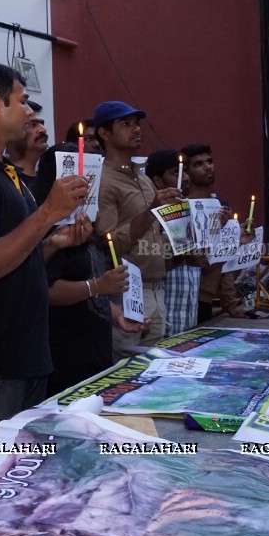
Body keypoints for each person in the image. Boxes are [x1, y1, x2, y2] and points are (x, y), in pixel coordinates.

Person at [0, 64, 85, 437]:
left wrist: (56, 242)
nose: (30, 112)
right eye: (22, 102)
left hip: (24, 357)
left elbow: (18, 257)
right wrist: (47, 214)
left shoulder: (3, 171)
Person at [35, 143, 147, 395]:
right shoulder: (47, 228)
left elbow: (92, 283)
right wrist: (98, 286)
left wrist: (119, 315)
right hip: (64, 354)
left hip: (94, 350)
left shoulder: (85, 221)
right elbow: (46, 290)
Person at [93, 101, 180, 360]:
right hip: (126, 290)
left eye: (137, 124)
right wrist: (152, 209)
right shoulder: (102, 180)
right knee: (123, 371)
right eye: (126, 124)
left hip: (156, 286)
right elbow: (109, 244)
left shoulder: (142, 178)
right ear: (104, 133)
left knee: (149, 372)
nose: (136, 129)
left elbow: (156, 237)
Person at [182, 143, 251, 321]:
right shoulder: (181, 207)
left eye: (210, 162)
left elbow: (225, 263)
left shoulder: (221, 207)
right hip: (181, 296)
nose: (207, 167)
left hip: (204, 298)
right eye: (198, 164)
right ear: (186, 172)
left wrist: (231, 303)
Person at [145, 149, 202, 338]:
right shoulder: (151, 216)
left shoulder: (191, 209)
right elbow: (158, 260)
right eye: (176, 173)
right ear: (158, 181)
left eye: (185, 171)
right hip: (164, 314)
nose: (185, 178)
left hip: (188, 315)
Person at [5, 99, 48, 195]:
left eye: (42, 124)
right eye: (33, 125)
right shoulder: (3, 180)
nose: (43, 130)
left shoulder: (49, 179)